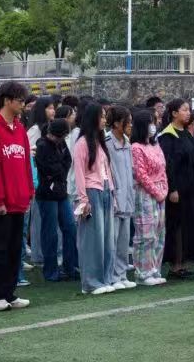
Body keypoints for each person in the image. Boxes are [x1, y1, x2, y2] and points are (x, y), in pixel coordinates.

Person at [0, 81, 33, 312]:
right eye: (19, 100)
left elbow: (26, 163)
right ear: (7, 100)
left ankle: (9, 293)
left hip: (19, 200)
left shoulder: (20, 129)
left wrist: (29, 192)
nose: (23, 104)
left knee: (14, 250)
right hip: (0, 203)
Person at [74, 103, 117, 295]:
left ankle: (105, 278)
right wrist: (83, 200)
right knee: (92, 240)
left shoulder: (100, 142)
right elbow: (79, 173)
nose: (105, 120)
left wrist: (113, 194)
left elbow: (107, 170)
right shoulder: (82, 143)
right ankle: (90, 283)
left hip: (106, 191)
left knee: (107, 239)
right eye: (102, 116)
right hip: (92, 192)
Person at [158, 98, 194, 279]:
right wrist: (173, 189)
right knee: (177, 227)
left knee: (188, 226)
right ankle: (175, 265)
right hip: (177, 191)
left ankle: (183, 263)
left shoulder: (187, 134)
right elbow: (168, 165)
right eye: (184, 110)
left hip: (190, 191)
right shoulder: (168, 136)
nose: (188, 113)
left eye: (188, 110)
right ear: (174, 113)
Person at [34, 118, 78, 282]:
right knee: (50, 233)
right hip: (47, 195)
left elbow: (66, 162)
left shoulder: (60, 144)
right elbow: (48, 168)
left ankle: (70, 267)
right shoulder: (42, 145)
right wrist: (58, 171)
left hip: (60, 192)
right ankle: (51, 270)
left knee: (70, 228)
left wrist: (57, 171)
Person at [130, 109, 168, 285]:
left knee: (159, 233)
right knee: (145, 233)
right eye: (151, 122)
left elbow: (163, 169)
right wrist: (157, 191)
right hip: (144, 194)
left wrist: (164, 189)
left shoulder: (155, 145)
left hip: (160, 192)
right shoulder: (136, 148)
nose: (154, 126)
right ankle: (142, 272)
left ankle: (154, 268)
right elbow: (141, 174)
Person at [106, 106, 137, 288]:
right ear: (117, 123)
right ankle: (112, 276)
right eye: (128, 121)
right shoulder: (107, 142)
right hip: (115, 198)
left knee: (124, 240)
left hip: (128, 197)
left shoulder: (127, 142)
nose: (131, 125)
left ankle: (121, 274)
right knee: (113, 239)